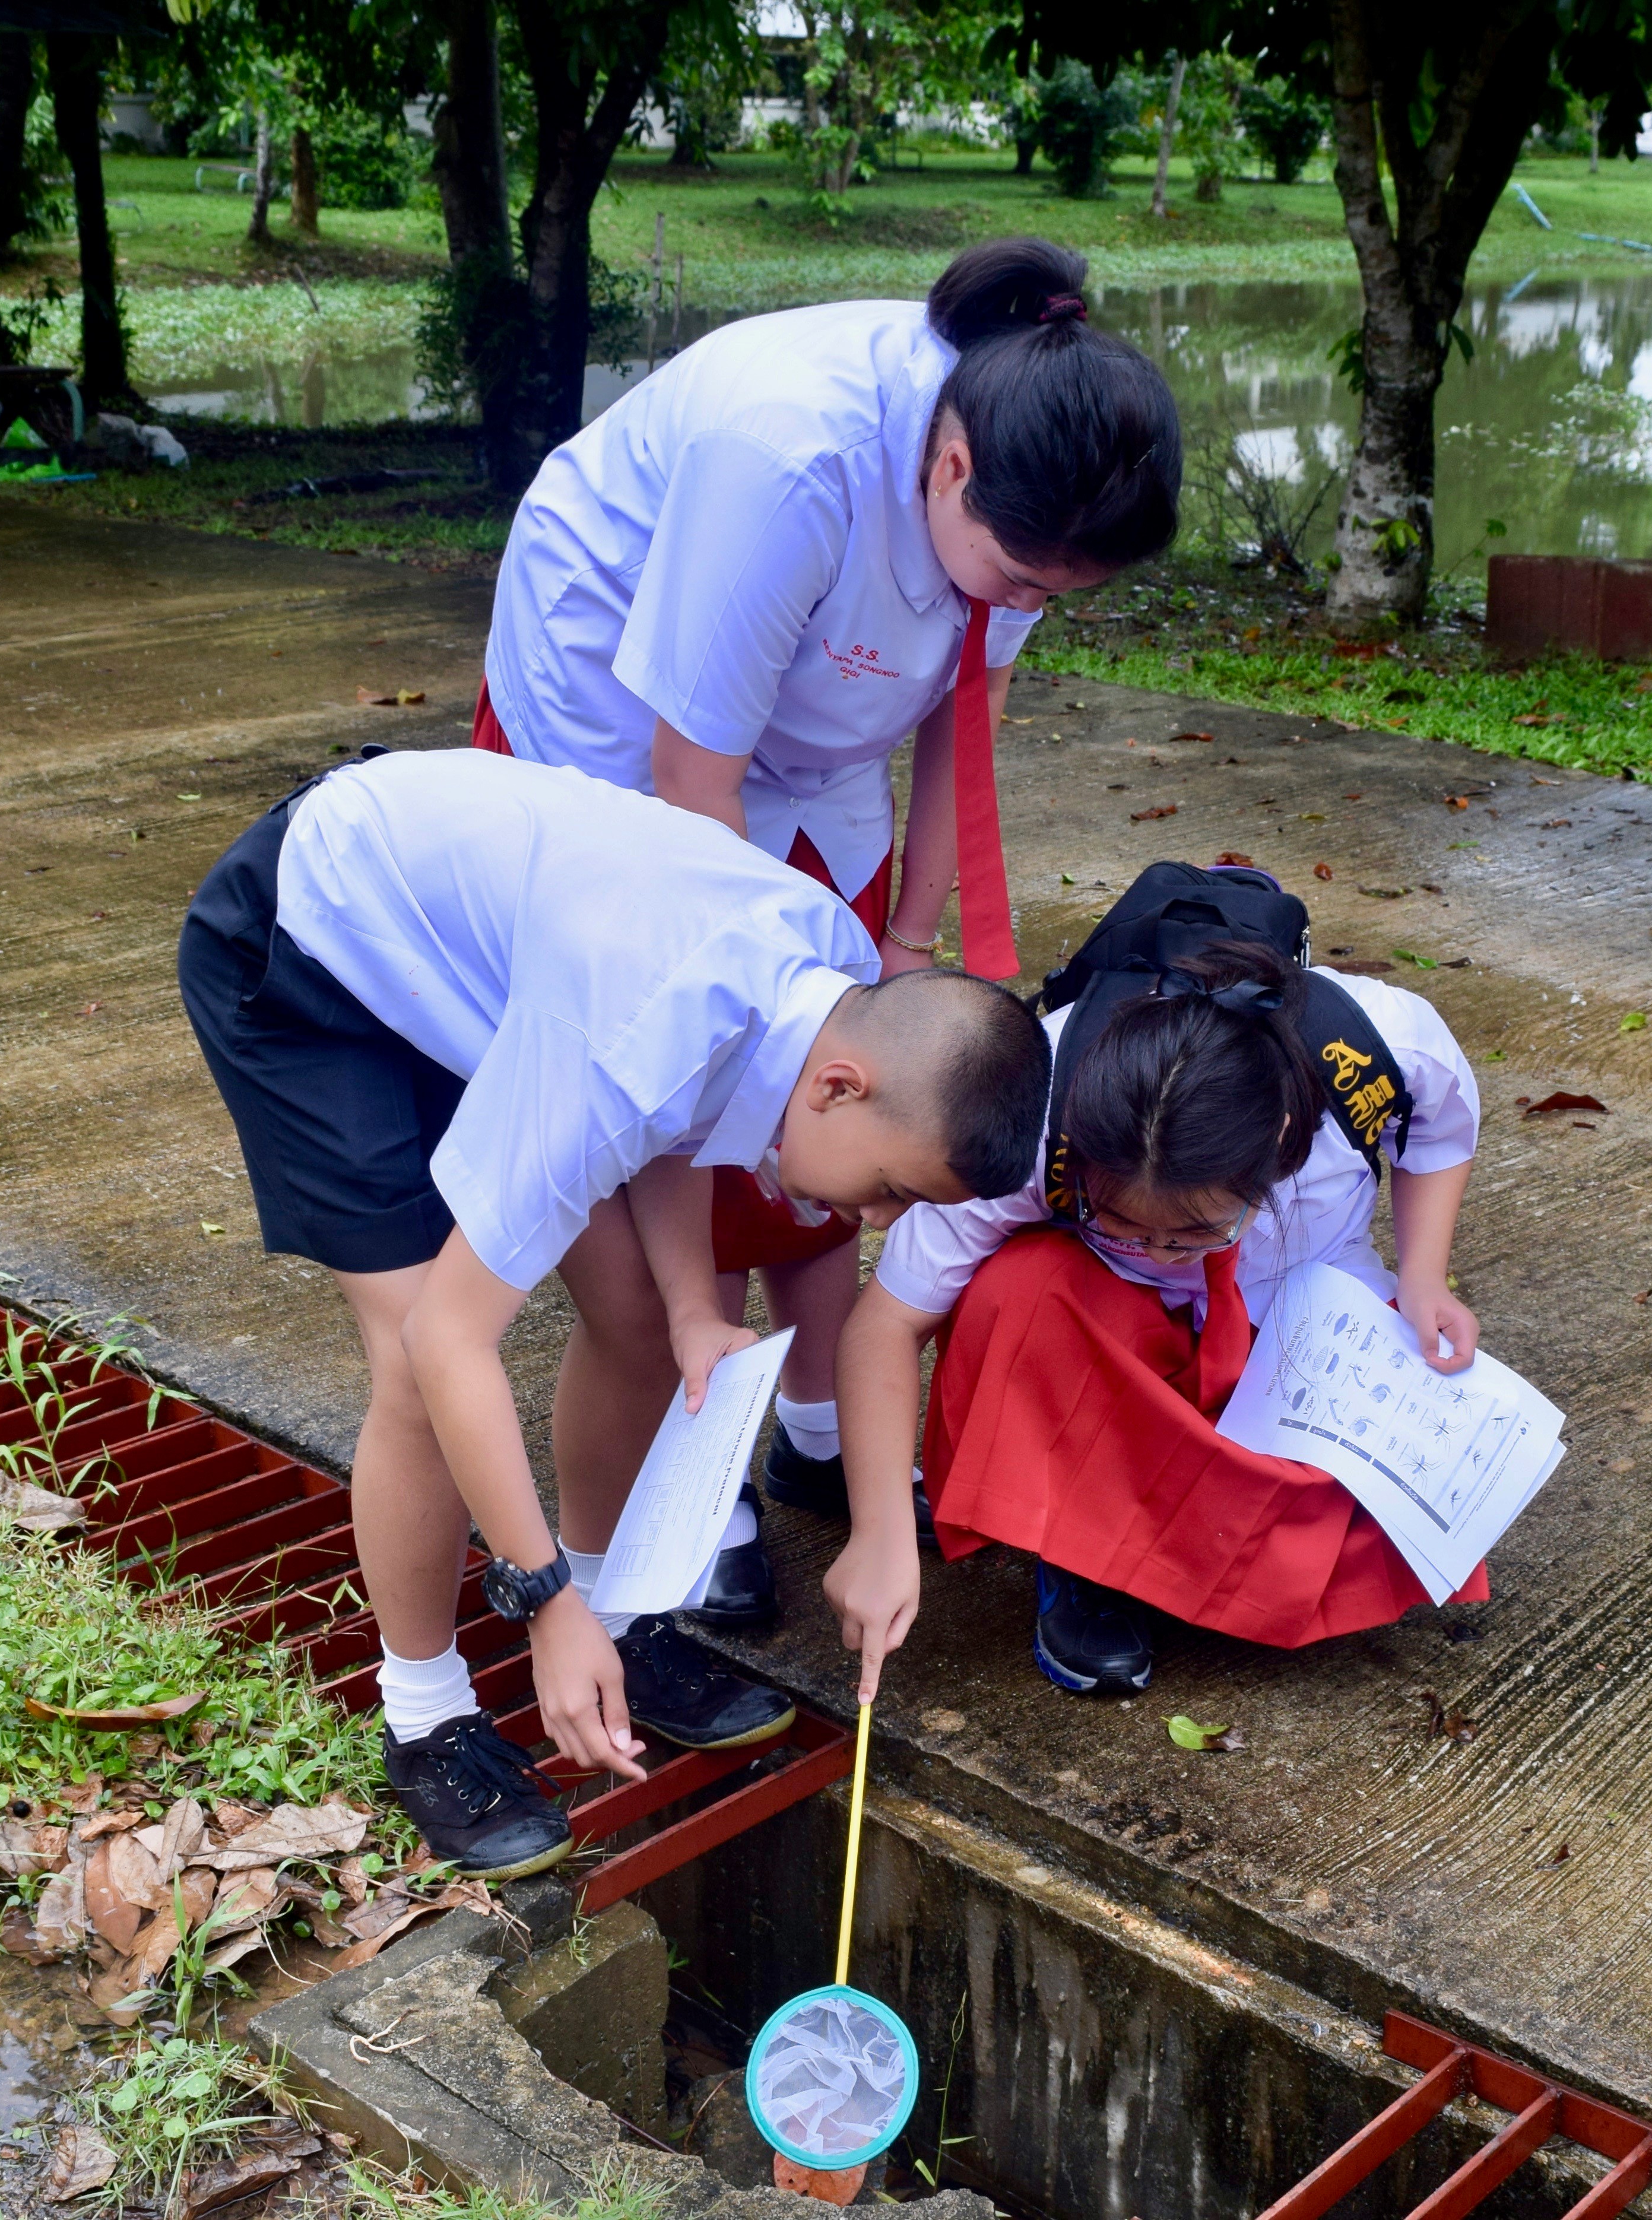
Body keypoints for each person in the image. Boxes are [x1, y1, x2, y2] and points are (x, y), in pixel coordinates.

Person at [472, 237, 1182, 1619]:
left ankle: (810, 1422)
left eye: (1056, 595)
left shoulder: (1021, 495)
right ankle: (691, 1445)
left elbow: (950, 702)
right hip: (622, 717)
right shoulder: (784, 456)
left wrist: (905, 935)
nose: (1029, 604)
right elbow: (692, 799)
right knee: (700, 1082)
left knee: (863, 1083)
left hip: (812, 726)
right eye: (1022, 577)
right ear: (951, 466)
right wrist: (749, 1006)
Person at [180, 747, 1050, 1877]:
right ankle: (425, 1712)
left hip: (493, 970)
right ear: (838, 1086)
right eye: (891, 1187)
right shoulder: (626, 1038)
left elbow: (685, 1103)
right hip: (311, 952)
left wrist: (695, 1308)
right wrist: (536, 1605)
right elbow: (457, 1339)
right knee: (412, 1352)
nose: (877, 1220)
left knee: (644, 1315)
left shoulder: (831, 964)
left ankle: (614, 1613)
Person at [826, 937, 1482, 1701]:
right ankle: (1080, 1554)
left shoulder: (1371, 1044)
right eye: (1127, 1222)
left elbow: (1437, 1126)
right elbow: (884, 1324)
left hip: (1300, 1286)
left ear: (1274, 1147)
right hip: (1109, 1318)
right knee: (1016, 1293)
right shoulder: (1025, 1110)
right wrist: (878, 1533)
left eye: (1195, 1231)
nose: (1164, 1249)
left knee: (1393, 1471)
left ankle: (1151, 1535)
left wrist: (1423, 1273)